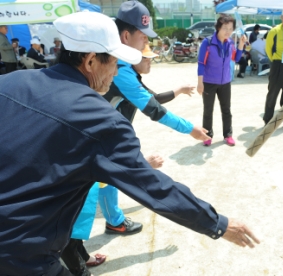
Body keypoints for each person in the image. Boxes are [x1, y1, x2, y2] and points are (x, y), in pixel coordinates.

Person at [0, 11, 259, 276]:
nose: (115, 71)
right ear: (90, 61)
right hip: (20, 255)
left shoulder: (10, 82)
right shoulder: (100, 120)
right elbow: (155, 188)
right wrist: (218, 223)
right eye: (113, 61)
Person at [99, 1, 211, 236]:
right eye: (144, 39)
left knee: (103, 177)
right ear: (127, 36)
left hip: (105, 134)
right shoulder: (119, 67)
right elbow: (154, 109)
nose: (147, 45)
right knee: (97, 182)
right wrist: (190, 129)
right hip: (99, 136)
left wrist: (178, 90)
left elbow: (150, 98)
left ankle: (113, 219)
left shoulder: (122, 63)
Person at [197, 14, 245, 146]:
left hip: (225, 82)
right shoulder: (207, 42)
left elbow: (236, 58)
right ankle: (207, 136)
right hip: (209, 82)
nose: (228, 31)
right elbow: (201, 63)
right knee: (208, 110)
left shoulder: (230, 43)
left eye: (230, 28)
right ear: (218, 27)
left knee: (226, 110)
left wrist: (241, 44)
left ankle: (228, 135)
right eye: (225, 28)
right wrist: (200, 83)